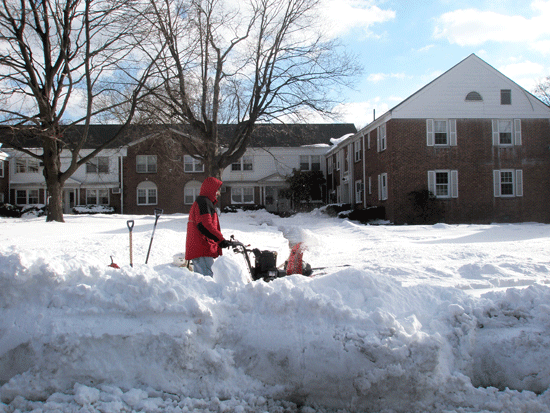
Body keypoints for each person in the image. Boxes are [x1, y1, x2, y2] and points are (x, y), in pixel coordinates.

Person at [185, 177, 230, 276]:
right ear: (211, 189)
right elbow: (205, 226)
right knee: (207, 279)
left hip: (201, 248)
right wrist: (220, 240)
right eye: (217, 190)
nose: (218, 193)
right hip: (202, 249)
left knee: (204, 280)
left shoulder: (205, 202)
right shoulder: (203, 203)